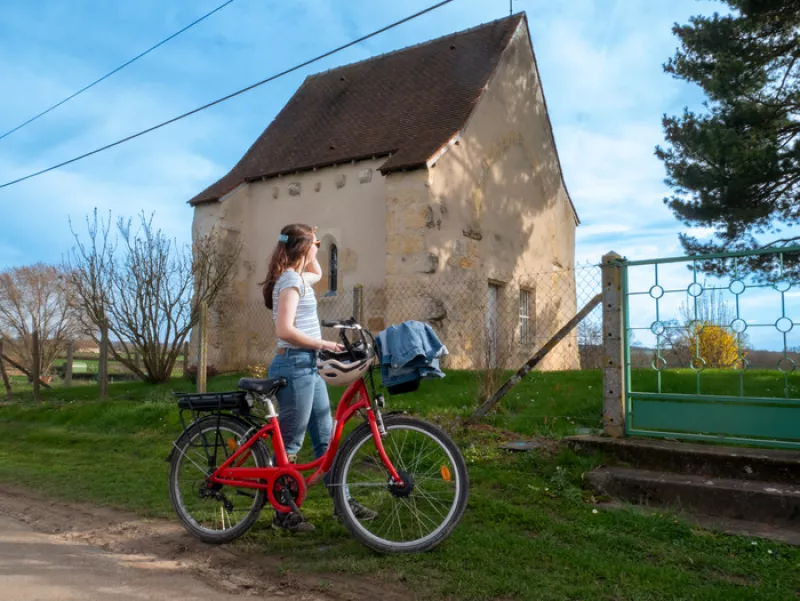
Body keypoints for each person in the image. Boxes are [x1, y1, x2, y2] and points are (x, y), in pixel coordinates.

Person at [262, 223, 377, 532]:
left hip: (308, 366)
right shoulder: (288, 281)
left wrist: (308, 239)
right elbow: (284, 330)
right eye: (314, 243)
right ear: (303, 248)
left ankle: (343, 505)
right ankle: (282, 511)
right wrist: (324, 343)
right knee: (292, 440)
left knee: (326, 441)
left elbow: (319, 272)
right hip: (294, 365)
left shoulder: (298, 278)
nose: (317, 247)